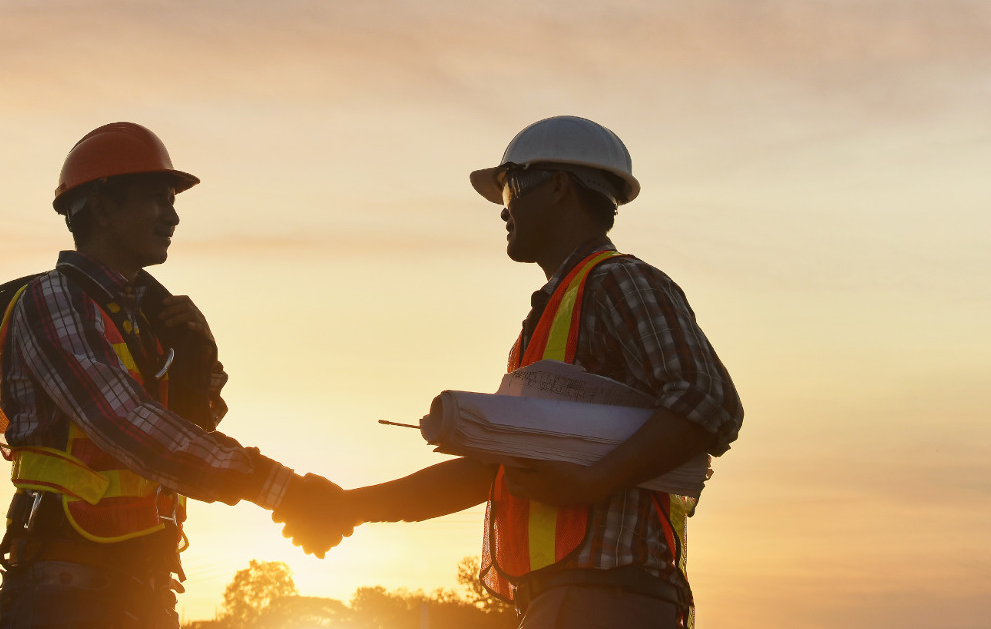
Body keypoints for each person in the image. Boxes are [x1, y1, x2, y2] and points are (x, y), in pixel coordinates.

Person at [281, 116, 744, 628]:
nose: (503, 212)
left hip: (609, 597)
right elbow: (490, 471)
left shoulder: (622, 282)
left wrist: (594, 481)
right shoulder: (549, 319)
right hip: (566, 601)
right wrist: (349, 507)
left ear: (559, 186)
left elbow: (709, 400)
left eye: (509, 190)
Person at [0, 122, 343, 628]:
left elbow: (187, 435)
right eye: (157, 199)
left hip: (139, 586)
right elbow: (123, 423)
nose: (173, 216)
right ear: (100, 208)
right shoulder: (53, 301)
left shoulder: (145, 317)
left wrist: (199, 366)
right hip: (67, 594)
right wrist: (280, 488)